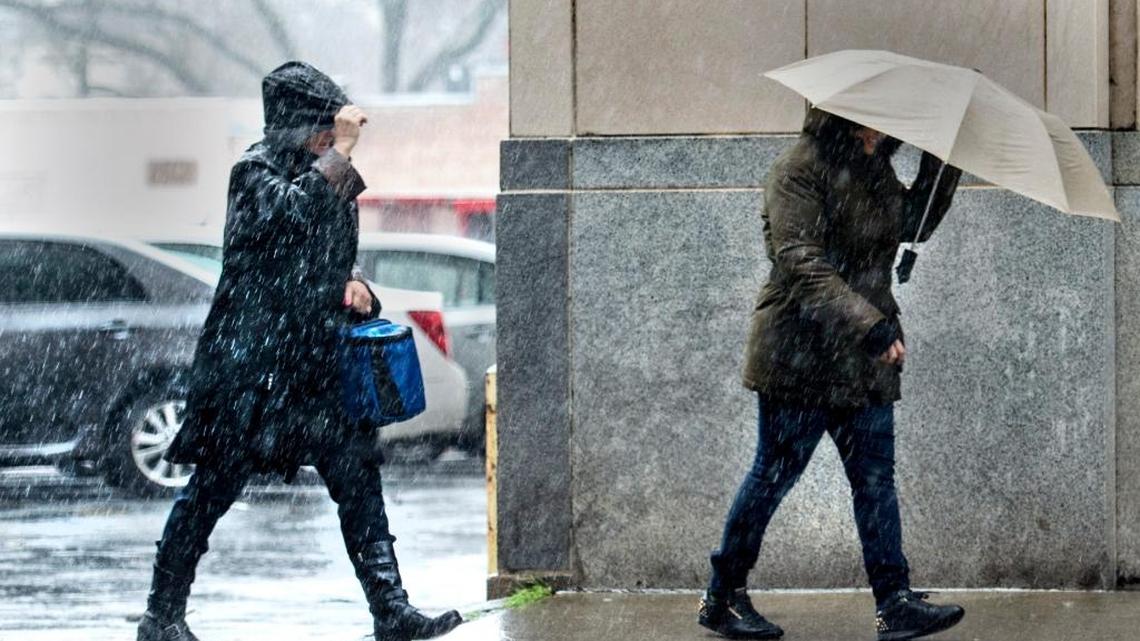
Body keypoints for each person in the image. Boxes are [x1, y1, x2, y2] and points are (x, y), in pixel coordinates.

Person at [136, 61, 463, 641]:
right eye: (324, 131)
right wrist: (340, 155)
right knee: (212, 488)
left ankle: (391, 609)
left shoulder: (326, 174)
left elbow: (333, 249)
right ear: (298, 128)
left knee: (358, 481)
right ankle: (161, 616)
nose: (330, 141)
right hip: (254, 372)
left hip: (316, 367)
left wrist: (356, 282)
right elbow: (290, 219)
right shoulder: (254, 172)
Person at [698, 108, 965, 641]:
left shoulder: (872, 168)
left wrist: (942, 161)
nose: (879, 133)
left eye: (884, 126)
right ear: (842, 120)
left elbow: (909, 223)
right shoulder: (797, 170)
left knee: (875, 481)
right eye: (870, 124)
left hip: (861, 363)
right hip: (801, 356)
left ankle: (894, 602)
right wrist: (870, 327)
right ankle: (722, 596)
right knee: (773, 475)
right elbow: (800, 260)